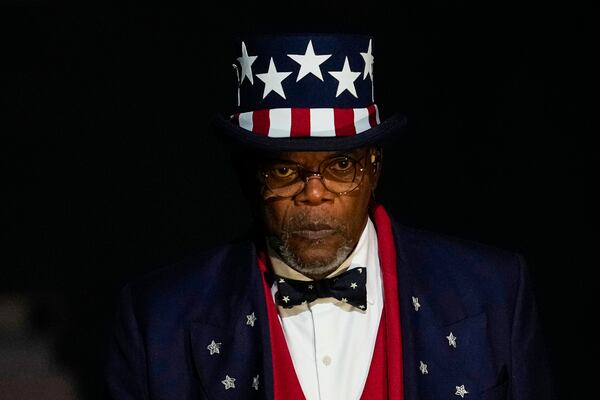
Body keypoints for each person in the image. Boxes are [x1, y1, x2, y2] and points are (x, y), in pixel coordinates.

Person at [105, 33, 555, 400]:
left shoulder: (492, 294)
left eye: (341, 166)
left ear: (374, 169)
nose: (314, 193)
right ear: (247, 178)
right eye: (284, 169)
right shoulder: (158, 321)